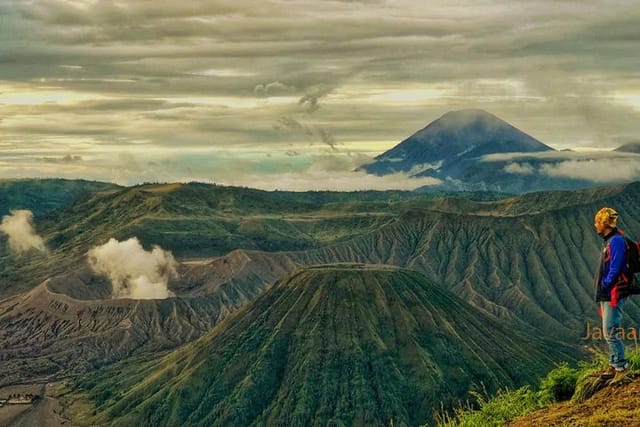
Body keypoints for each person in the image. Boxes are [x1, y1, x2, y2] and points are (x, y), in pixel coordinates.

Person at [594, 207, 630, 377]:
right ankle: (614, 363)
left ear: (604, 224)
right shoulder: (609, 240)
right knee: (609, 331)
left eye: (597, 222)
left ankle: (620, 366)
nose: (595, 225)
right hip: (608, 293)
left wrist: (606, 284)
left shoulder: (615, 241)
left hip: (613, 293)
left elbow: (616, 267)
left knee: (610, 330)